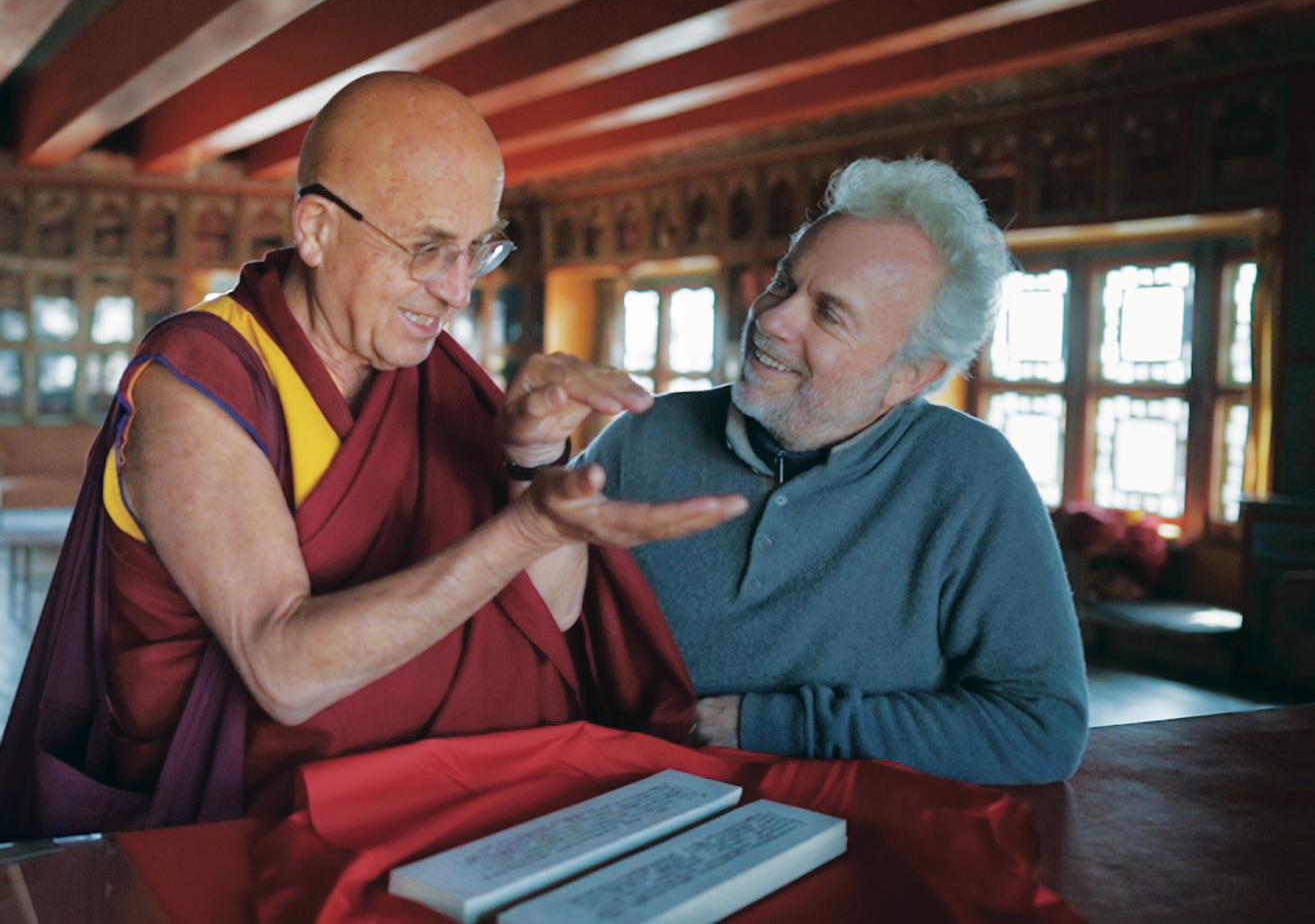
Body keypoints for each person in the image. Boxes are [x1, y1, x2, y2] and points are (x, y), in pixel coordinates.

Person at [0, 72, 745, 840]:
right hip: (235, 827)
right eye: (429, 250)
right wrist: (523, 531)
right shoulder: (201, 382)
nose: (458, 291)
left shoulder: (432, 375)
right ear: (316, 229)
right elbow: (282, 671)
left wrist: (534, 458)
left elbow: (548, 616)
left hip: (448, 801)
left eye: (479, 249)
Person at [580, 158, 1089, 786]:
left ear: (912, 375)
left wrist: (769, 723)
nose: (771, 319)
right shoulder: (645, 432)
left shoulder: (971, 478)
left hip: (844, 828)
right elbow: (530, 625)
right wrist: (529, 462)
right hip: (623, 795)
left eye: (829, 314)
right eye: (784, 284)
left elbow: (1040, 730)